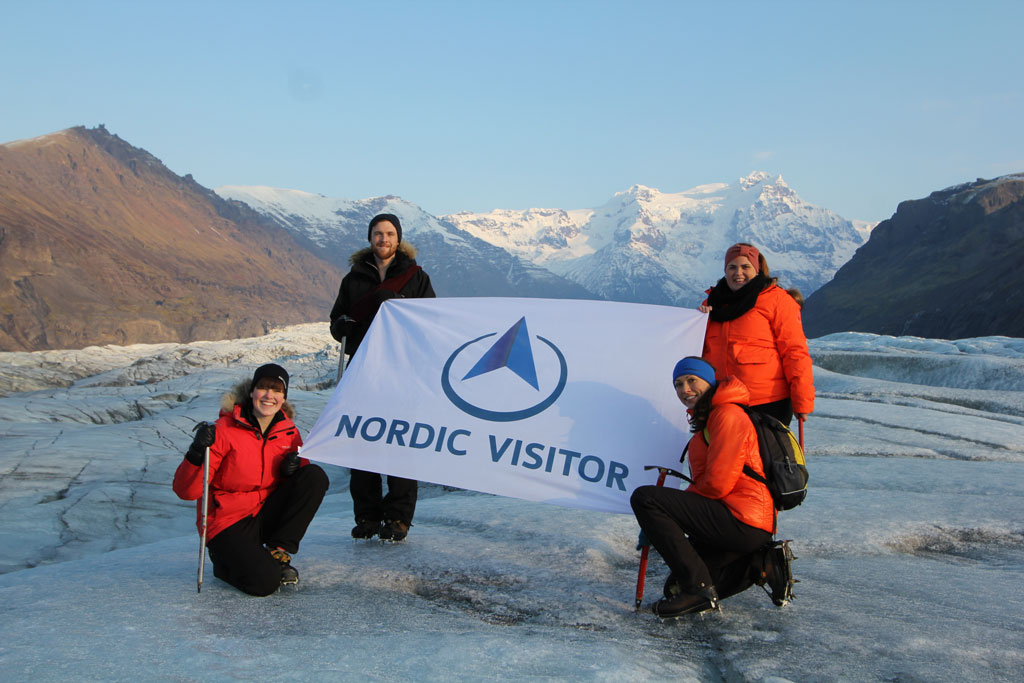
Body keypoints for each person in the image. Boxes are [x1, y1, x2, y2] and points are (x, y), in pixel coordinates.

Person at [631, 357, 794, 618]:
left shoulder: (727, 414)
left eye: (692, 380)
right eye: (678, 384)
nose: (685, 389)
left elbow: (717, 485)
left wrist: (670, 511)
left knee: (646, 499)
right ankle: (759, 565)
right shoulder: (710, 419)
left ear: (709, 382)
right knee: (674, 588)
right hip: (736, 520)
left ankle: (699, 591)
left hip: (742, 519)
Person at [173, 363, 328, 596]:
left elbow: (301, 486)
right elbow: (186, 491)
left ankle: (278, 550)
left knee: (314, 476)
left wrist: (290, 472)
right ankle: (224, 566)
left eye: (277, 390)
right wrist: (196, 453)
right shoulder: (223, 430)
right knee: (264, 583)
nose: (269, 396)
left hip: (263, 514)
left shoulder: (288, 432)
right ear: (251, 391)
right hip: (227, 521)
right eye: (263, 388)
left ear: (284, 397)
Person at [328, 213, 435, 542]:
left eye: (389, 234)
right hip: (364, 367)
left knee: (400, 441)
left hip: (402, 369)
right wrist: (340, 326)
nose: (383, 239)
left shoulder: (417, 277)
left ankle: (399, 518)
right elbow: (337, 319)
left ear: (398, 239)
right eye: (378, 233)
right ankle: (368, 517)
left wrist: (401, 305)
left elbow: (431, 319)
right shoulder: (353, 279)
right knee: (362, 443)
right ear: (370, 238)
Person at [699, 242, 814, 426]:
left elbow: (795, 352)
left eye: (745, 267)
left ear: (757, 269)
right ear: (725, 270)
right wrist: (698, 322)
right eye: (732, 267)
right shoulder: (712, 304)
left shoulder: (778, 300)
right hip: (721, 400)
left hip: (767, 402)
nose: (738, 273)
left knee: (761, 455)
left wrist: (802, 401)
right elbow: (700, 353)